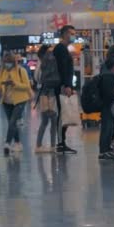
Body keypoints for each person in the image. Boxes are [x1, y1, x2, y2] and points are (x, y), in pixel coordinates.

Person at [0, 53, 32, 155]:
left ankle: (7, 143)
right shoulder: (2, 72)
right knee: (11, 123)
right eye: (5, 63)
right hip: (7, 101)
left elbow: (27, 86)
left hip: (20, 100)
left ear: (13, 62)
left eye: (9, 63)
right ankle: (18, 143)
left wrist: (15, 84)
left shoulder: (21, 71)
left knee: (13, 121)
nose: (7, 65)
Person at [53, 25, 78, 154]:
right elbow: (63, 69)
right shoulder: (60, 49)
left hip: (65, 85)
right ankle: (60, 142)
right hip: (62, 86)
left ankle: (62, 141)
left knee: (65, 113)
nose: (73, 36)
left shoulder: (64, 49)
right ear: (63, 34)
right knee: (62, 114)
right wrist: (67, 85)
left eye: (74, 33)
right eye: (70, 33)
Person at [99, 57, 114, 161]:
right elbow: (108, 94)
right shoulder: (108, 77)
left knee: (109, 128)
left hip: (107, 105)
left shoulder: (108, 76)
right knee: (107, 128)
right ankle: (104, 151)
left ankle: (107, 149)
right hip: (107, 106)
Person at [34, 45, 57, 153]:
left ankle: (39, 145)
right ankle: (52, 145)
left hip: (43, 92)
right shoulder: (53, 62)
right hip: (52, 92)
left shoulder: (41, 63)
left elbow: (37, 78)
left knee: (45, 120)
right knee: (53, 120)